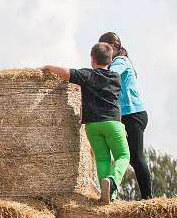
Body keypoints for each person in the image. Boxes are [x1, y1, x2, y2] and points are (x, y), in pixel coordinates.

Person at [43, 43, 129, 203]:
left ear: (92, 59)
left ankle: (108, 196)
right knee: (123, 156)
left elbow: (64, 72)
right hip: (112, 123)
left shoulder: (86, 75)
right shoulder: (116, 78)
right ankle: (112, 181)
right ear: (110, 61)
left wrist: (46, 67)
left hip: (93, 126)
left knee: (102, 159)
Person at [98, 32, 152, 199]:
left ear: (114, 47)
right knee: (128, 158)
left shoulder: (120, 61)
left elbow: (111, 76)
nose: (103, 52)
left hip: (134, 114)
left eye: (105, 48)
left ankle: (148, 198)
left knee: (135, 156)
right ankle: (112, 190)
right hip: (125, 116)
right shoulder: (116, 62)